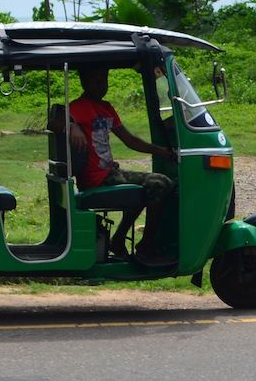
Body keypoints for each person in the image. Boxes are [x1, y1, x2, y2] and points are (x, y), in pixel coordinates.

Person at [65, 65, 176, 265]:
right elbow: (54, 121)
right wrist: (72, 126)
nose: (101, 84)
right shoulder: (78, 107)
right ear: (83, 81)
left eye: (104, 79)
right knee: (158, 185)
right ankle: (146, 245)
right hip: (96, 178)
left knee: (160, 183)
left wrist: (163, 152)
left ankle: (120, 240)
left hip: (109, 173)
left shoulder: (106, 107)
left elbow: (130, 140)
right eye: (95, 79)